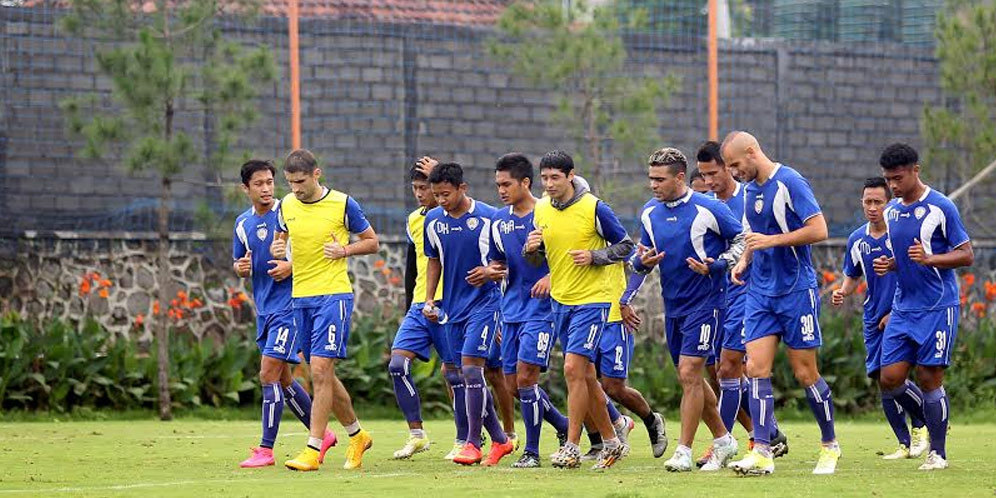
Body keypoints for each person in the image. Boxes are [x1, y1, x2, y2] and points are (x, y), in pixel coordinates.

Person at [721, 132, 840, 476]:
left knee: (805, 373)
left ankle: (830, 446)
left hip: (795, 291)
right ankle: (762, 451)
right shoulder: (748, 193)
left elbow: (819, 230)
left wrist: (773, 241)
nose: (732, 173)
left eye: (735, 165)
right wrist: (745, 258)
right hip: (760, 292)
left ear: (752, 152)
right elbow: (750, 235)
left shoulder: (790, 181)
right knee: (755, 369)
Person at [622, 147, 740, 472]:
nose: (653, 185)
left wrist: (717, 266)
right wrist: (632, 281)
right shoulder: (649, 212)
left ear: (678, 177)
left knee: (690, 374)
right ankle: (724, 439)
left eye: (660, 179)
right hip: (674, 305)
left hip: (708, 302)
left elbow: (742, 241)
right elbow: (641, 258)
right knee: (690, 379)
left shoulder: (708, 208)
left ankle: (683, 451)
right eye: (650, 179)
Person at [524, 150, 634, 469]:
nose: (549, 184)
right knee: (585, 375)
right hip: (561, 299)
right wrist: (532, 249)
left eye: (555, 178)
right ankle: (612, 440)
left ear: (571, 176)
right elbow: (538, 259)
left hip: (593, 299)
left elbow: (627, 245)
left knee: (573, 369)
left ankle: (571, 445)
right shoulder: (541, 209)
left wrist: (595, 257)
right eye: (544, 178)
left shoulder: (593, 207)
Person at [271, 149, 380, 471]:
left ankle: (313, 449)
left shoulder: (344, 204)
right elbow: (282, 240)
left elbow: (372, 242)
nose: (295, 188)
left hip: (333, 296)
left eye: (301, 181)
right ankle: (357, 435)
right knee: (323, 374)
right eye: (290, 182)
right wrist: (279, 249)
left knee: (319, 371)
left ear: (316, 174)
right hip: (300, 297)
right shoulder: (286, 206)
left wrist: (344, 249)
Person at [872, 143, 973, 471]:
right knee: (890, 377)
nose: (893, 186)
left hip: (937, 307)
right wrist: (893, 264)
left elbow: (966, 254)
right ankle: (930, 419)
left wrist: (931, 259)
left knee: (930, 378)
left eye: (898, 178)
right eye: (889, 180)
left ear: (916, 169)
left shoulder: (941, 207)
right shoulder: (891, 211)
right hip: (904, 307)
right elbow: (906, 259)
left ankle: (937, 453)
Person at [234, 159, 337, 468]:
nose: (266, 189)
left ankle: (266, 450)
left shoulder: (290, 211)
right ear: (246, 188)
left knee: (267, 373)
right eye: (259, 184)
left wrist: (291, 266)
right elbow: (240, 264)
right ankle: (324, 435)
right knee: (283, 379)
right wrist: (240, 268)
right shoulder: (243, 223)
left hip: (291, 306)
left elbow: (318, 251)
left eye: (269, 182)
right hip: (264, 309)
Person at [695, 141, 789, 466]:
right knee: (717, 371)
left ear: (728, 166)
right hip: (711, 299)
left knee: (730, 366)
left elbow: (754, 244)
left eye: (713, 173)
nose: (709, 182)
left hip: (744, 293)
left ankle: (723, 444)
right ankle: (769, 433)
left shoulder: (746, 199)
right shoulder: (705, 205)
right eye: (703, 176)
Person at [423, 162, 516, 467]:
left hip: (485, 304)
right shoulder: (433, 221)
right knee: (458, 375)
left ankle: (473, 444)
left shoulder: (490, 217)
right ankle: (501, 441)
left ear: (463, 188)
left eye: (445, 194)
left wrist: (491, 273)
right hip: (451, 308)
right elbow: (434, 260)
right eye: (435, 195)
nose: (440, 200)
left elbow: (508, 261)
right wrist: (429, 299)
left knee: (473, 370)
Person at [832, 176, 929, 460]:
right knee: (880, 377)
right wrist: (842, 292)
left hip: (902, 313)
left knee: (894, 377)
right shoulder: (857, 239)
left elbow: (915, 274)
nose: (873, 207)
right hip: (872, 315)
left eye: (878, 202)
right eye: (868, 202)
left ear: (890, 204)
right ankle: (905, 443)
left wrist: (894, 312)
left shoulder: (899, 235)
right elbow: (852, 276)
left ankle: (924, 423)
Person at [486, 153, 570, 468]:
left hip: (542, 309)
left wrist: (551, 275)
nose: (501, 190)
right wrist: (493, 270)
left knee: (525, 379)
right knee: (511, 385)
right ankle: (562, 425)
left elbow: (564, 255)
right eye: (498, 185)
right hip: (510, 311)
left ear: (525, 182)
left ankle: (531, 452)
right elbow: (499, 261)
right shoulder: (498, 220)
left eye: (507, 184)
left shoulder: (546, 214)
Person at [388, 157, 452, 460]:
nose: (419, 193)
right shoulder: (415, 219)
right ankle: (417, 434)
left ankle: (476, 436)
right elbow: (414, 266)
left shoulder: (448, 216)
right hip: (419, 304)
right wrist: (408, 304)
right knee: (397, 365)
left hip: (450, 304)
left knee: (461, 374)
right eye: (414, 188)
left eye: (424, 187)